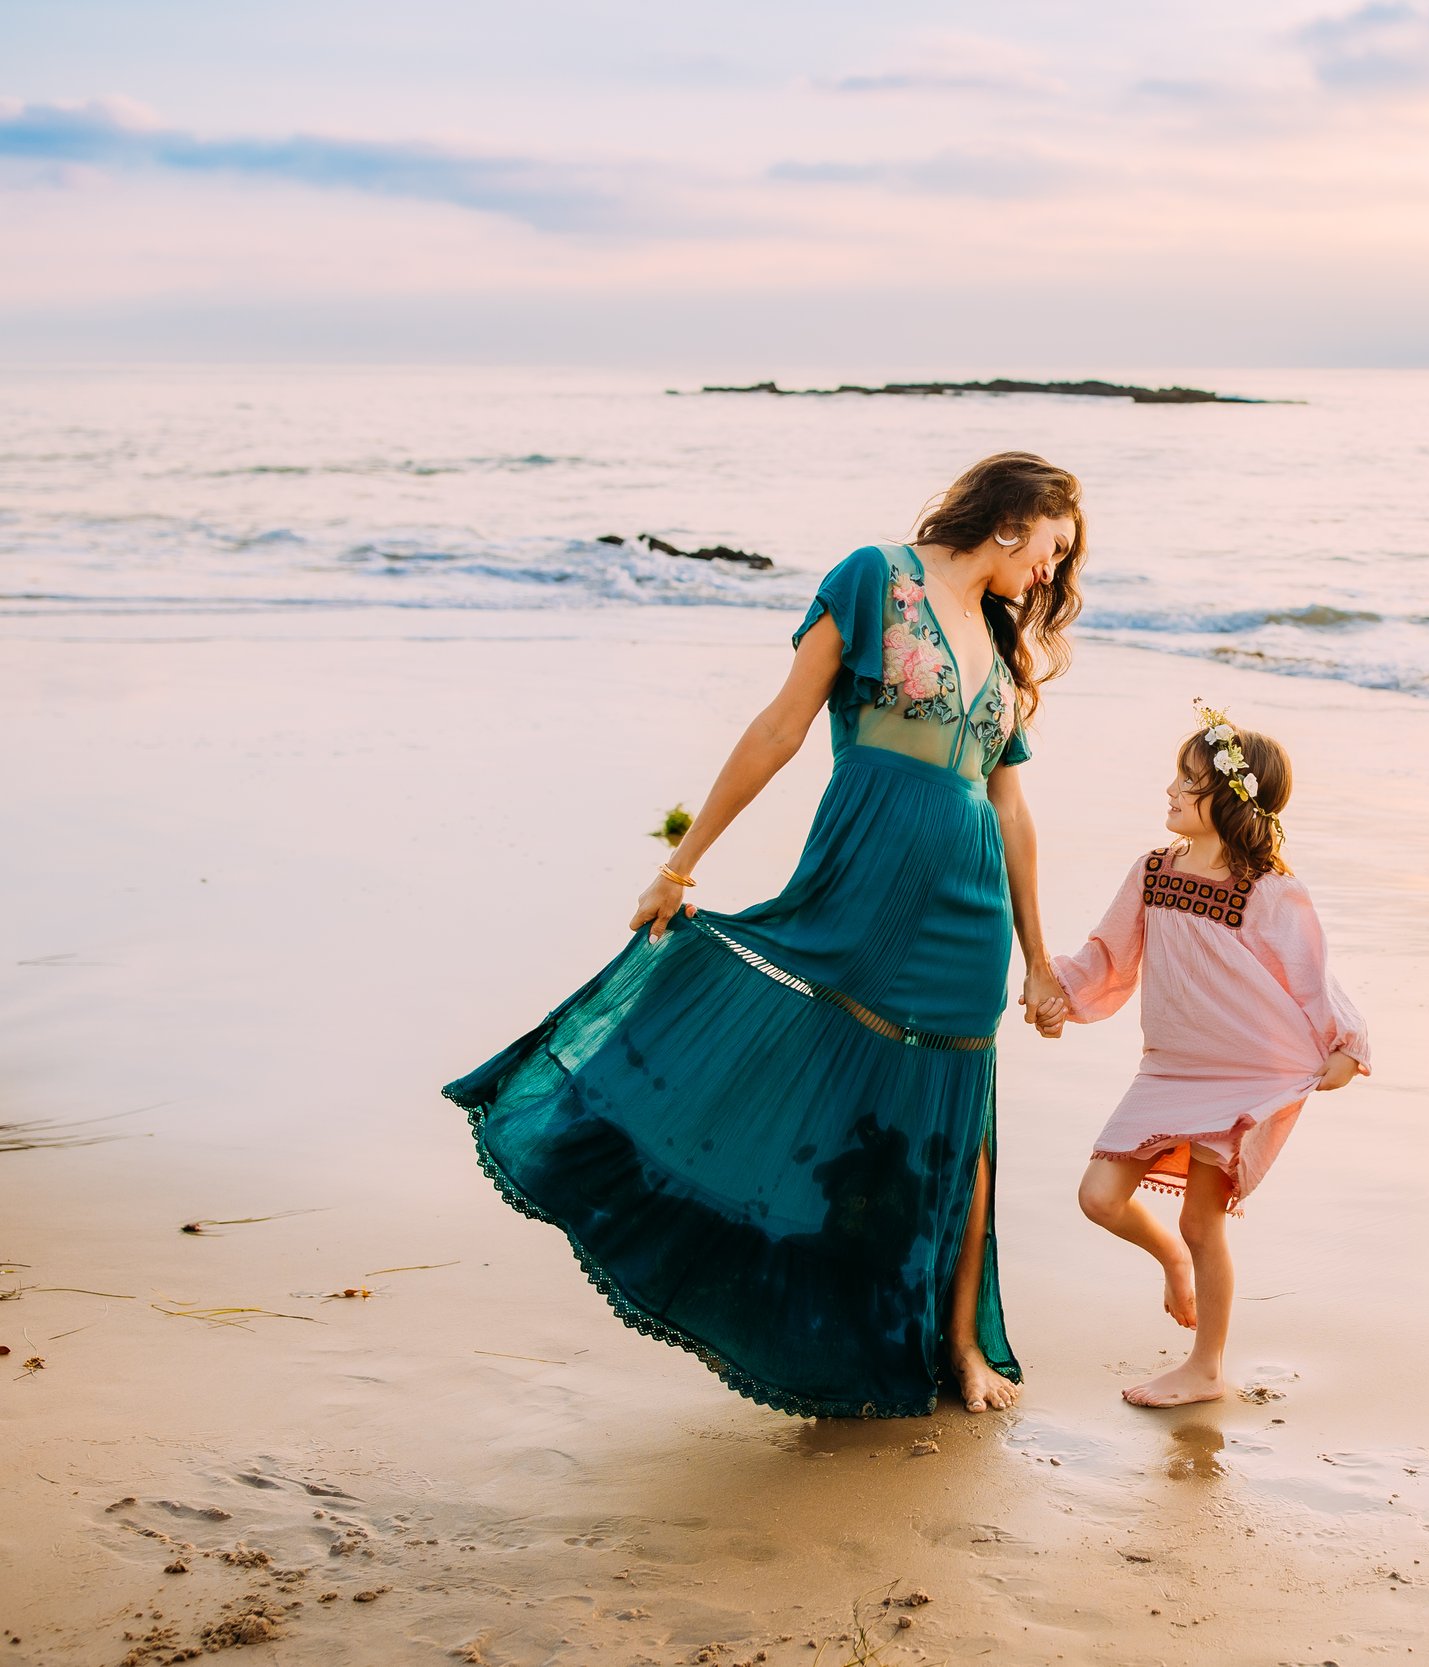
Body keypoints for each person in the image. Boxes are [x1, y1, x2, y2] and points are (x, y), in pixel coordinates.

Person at [444, 451, 1082, 1419]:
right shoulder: (874, 577)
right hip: (862, 874)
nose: (1050, 572)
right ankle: (749, 1256)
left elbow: (1011, 806)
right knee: (825, 1070)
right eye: (1052, 546)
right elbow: (782, 726)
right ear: (1012, 518)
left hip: (969, 911)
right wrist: (679, 863)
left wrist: (1039, 959)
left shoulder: (1000, 644)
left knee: (961, 1114)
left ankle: (954, 1344)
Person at [1038, 701, 1370, 1408]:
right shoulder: (1153, 870)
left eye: (1186, 779)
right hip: (1169, 1069)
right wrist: (1062, 991)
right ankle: (1170, 1260)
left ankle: (1206, 1366)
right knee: (1098, 1197)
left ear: (1227, 796)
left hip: (1245, 1075)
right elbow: (1109, 953)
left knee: (1202, 1220)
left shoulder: (1270, 890)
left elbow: (1312, 976)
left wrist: (1345, 1041)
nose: (1169, 790)